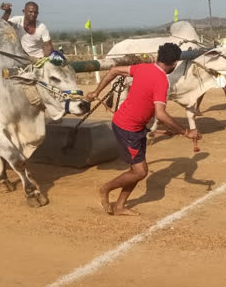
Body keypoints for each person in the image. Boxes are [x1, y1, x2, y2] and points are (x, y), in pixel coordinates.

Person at [84, 43, 201, 216]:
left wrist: (96, 91)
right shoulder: (162, 81)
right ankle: (105, 189)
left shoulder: (143, 68)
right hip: (127, 127)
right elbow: (160, 115)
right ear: (175, 63)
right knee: (140, 172)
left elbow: (114, 70)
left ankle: (120, 206)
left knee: (136, 171)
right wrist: (185, 132)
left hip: (134, 127)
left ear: (159, 56)